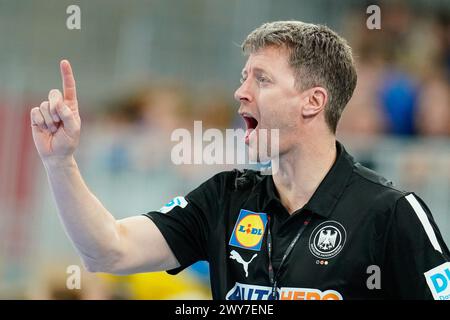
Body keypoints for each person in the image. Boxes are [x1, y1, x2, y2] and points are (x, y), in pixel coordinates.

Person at [30, 21, 449, 300]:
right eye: (243, 77)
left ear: (313, 101)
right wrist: (60, 162)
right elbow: (108, 251)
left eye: (261, 79)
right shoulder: (225, 198)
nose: (240, 92)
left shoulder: (391, 213)